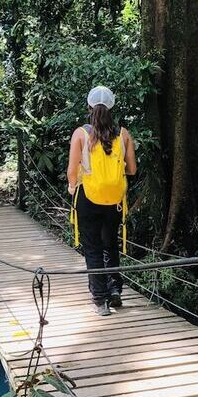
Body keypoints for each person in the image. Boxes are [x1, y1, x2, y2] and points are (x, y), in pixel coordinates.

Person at [67, 86, 137, 316]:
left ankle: (101, 301)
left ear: (89, 106)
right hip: (114, 200)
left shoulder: (81, 134)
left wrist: (72, 186)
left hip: (88, 197)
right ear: (112, 107)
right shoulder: (123, 134)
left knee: (93, 248)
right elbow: (132, 169)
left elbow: (72, 171)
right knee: (110, 244)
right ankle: (115, 289)